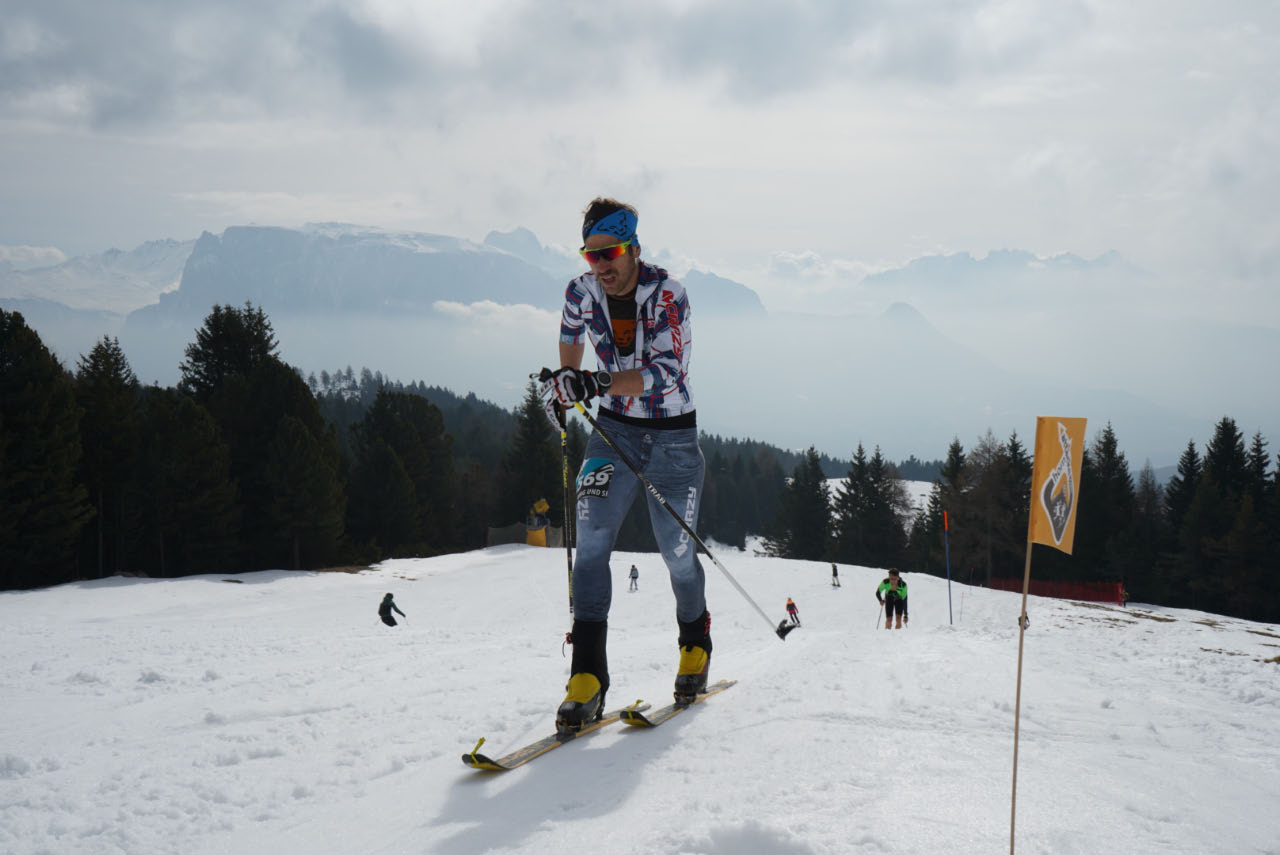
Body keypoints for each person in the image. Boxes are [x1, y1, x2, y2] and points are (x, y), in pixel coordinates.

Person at [542, 197, 710, 732]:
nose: (601, 266)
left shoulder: (667, 294)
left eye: (610, 253)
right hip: (613, 432)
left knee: (676, 551)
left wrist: (596, 381)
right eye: (591, 255)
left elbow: (667, 374)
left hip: (672, 438)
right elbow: (570, 343)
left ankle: (695, 644)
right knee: (591, 540)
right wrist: (568, 383)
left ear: (634, 248)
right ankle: (586, 677)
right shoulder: (580, 291)